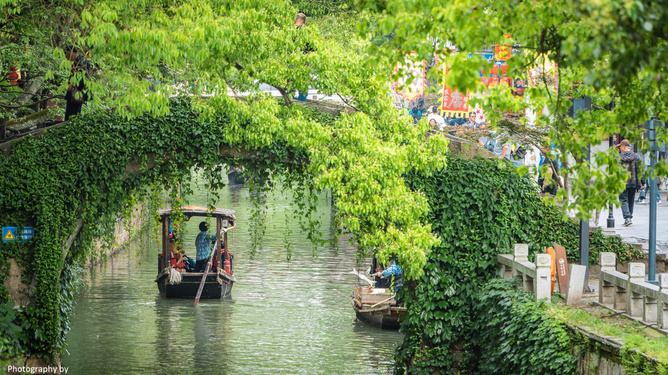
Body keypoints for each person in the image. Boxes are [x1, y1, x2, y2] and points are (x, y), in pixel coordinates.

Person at [63, 45, 92, 120]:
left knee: (72, 116)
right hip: (74, 93)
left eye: (66, 54)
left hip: (77, 93)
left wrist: (72, 84)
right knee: (70, 115)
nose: (66, 57)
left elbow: (84, 78)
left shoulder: (81, 62)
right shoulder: (78, 61)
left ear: (71, 52)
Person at [617, 139, 641, 226]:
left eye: (620, 147)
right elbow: (640, 170)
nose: (620, 149)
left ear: (623, 147)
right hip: (633, 182)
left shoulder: (618, 158)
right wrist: (643, 182)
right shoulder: (636, 157)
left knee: (623, 200)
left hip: (622, 183)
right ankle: (629, 217)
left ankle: (627, 218)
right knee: (631, 200)